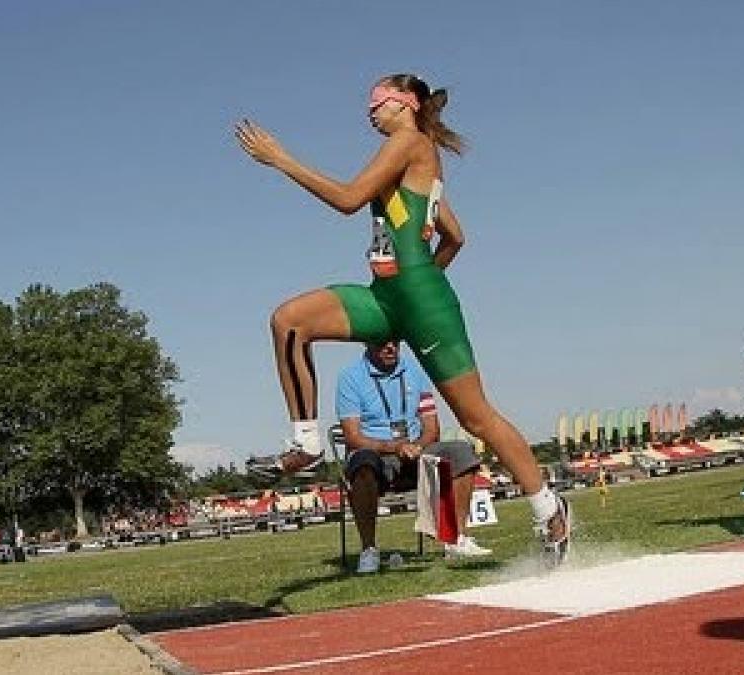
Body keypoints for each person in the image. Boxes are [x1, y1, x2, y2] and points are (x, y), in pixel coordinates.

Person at [235, 74, 569, 563]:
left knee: (478, 418)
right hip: (388, 297)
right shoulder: (416, 164)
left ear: (407, 104)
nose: (370, 111)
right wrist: (408, 288)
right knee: (289, 321)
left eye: (378, 102)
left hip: (421, 302)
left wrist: (280, 158)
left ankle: (549, 510)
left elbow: (349, 200)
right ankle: (306, 440)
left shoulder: (409, 141)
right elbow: (454, 235)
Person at [336, 340, 492, 573]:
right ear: (368, 344)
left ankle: (456, 538)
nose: (390, 348)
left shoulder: (414, 371)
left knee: (461, 451)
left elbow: (432, 427)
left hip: (415, 450)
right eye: (382, 343)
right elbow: (352, 436)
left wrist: (417, 446)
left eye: (395, 342)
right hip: (376, 451)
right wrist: (394, 447)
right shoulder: (350, 377)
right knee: (362, 463)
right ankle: (369, 549)